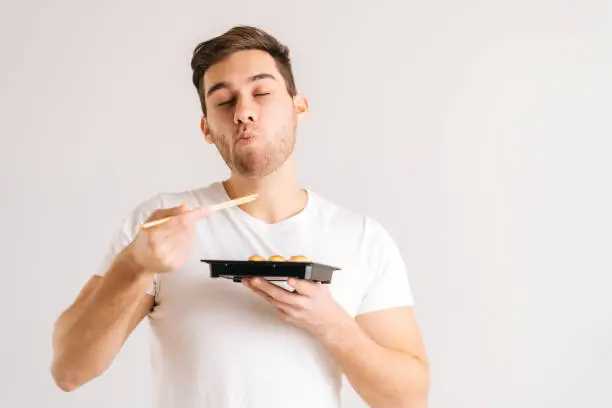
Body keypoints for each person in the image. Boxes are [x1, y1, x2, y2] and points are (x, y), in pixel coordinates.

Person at [50, 25, 430, 408]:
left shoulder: (362, 238)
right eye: (223, 101)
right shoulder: (161, 225)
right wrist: (134, 265)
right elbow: (68, 371)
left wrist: (330, 323)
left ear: (300, 108)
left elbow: (410, 400)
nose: (244, 112)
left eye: (261, 92)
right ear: (206, 129)